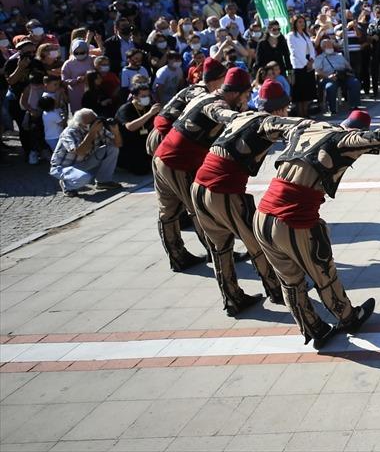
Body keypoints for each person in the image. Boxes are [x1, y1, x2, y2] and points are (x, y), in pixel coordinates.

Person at [254, 110, 380, 348]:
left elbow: (270, 124)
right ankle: (348, 318)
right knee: (324, 273)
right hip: (293, 219)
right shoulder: (343, 139)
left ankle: (314, 328)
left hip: (262, 215)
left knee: (289, 280)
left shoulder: (307, 128)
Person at [192, 81, 303, 316]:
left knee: (220, 247)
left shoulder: (245, 116)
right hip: (222, 190)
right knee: (257, 242)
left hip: (199, 186)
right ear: (279, 109)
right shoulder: (268, 121)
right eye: (286, 107)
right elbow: (297, 126)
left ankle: (232, 298)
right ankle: (276, 291)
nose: (287, 111)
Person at [152, 68, 251, 271]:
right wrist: (244, 118)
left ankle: (177, 257)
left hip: (162, 157)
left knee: (168, 212)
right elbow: (223, 115)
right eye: (246, 95)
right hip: (179, 164)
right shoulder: (219, 104)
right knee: (200, 211)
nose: (246, 100)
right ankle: (220, 257)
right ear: (235, 93)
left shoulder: (206, 95)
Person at [48, 108, 123, 196]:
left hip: (84, 161)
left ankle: (103, 181)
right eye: (91, 123)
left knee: (112, 149)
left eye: (95, 120)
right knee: (84, 178)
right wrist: (92, 133)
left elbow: (118, 144)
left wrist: (116, 132)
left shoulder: (98, 129)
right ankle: (67, 185)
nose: (95, 124)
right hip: (63, 167)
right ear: (81, 124)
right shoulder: (69, 133)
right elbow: (80, 152)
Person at [114, 82, 158, 175]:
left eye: (147, 95)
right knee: (141, 170)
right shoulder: (126, 108)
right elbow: (130, 127)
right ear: (134, 96)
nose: (146, 98)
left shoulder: (148, 107)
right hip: (130, 144)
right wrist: (150, 113)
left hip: (144, 141)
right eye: (143, 96)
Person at [313, 37, 362, 115]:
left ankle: (354, 105)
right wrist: (328, 76)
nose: (330, 47)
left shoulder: (339, 55)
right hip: (329, 77)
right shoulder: (320, 58)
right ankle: (332, 109)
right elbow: (317, 71)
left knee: (355, 82)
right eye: (327, 45)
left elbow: (348, 66)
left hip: (343, 76)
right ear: (323, 47)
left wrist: (348, 71)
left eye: (331, 45)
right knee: (330, 87)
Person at [286, 15, 317, 117]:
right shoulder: (291, 36)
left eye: (303, 22)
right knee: (300, 93)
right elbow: (294, 52)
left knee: (307, 91)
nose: (302, 24)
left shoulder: (306, 34)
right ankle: (301, 114)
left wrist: (311, 60)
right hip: (299, 65)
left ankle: (306, 113)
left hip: (309, 63)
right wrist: (306, 62)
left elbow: (311, 48)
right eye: (299, 22)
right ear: (294, 23)